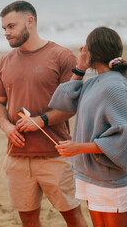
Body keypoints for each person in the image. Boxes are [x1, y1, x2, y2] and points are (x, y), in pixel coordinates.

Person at [0, 1, 87, 227]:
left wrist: (40, 121)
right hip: (17, 157)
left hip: (56, 154)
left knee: (73, 216)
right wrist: (6, 127)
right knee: (28, 219)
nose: (6, 33)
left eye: (11, 26)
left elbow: (71, 106)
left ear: (30, 21)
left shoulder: (62, 56)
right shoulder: (4, 61)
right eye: (4, 28)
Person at [49, 27, 127, 227]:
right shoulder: (92, 84)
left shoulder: (115, 87)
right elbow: (62, 102)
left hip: (110, 178)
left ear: (91, 51)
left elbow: (123, 137)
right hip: (92, 175)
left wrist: (79, 148)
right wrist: (79, 69)